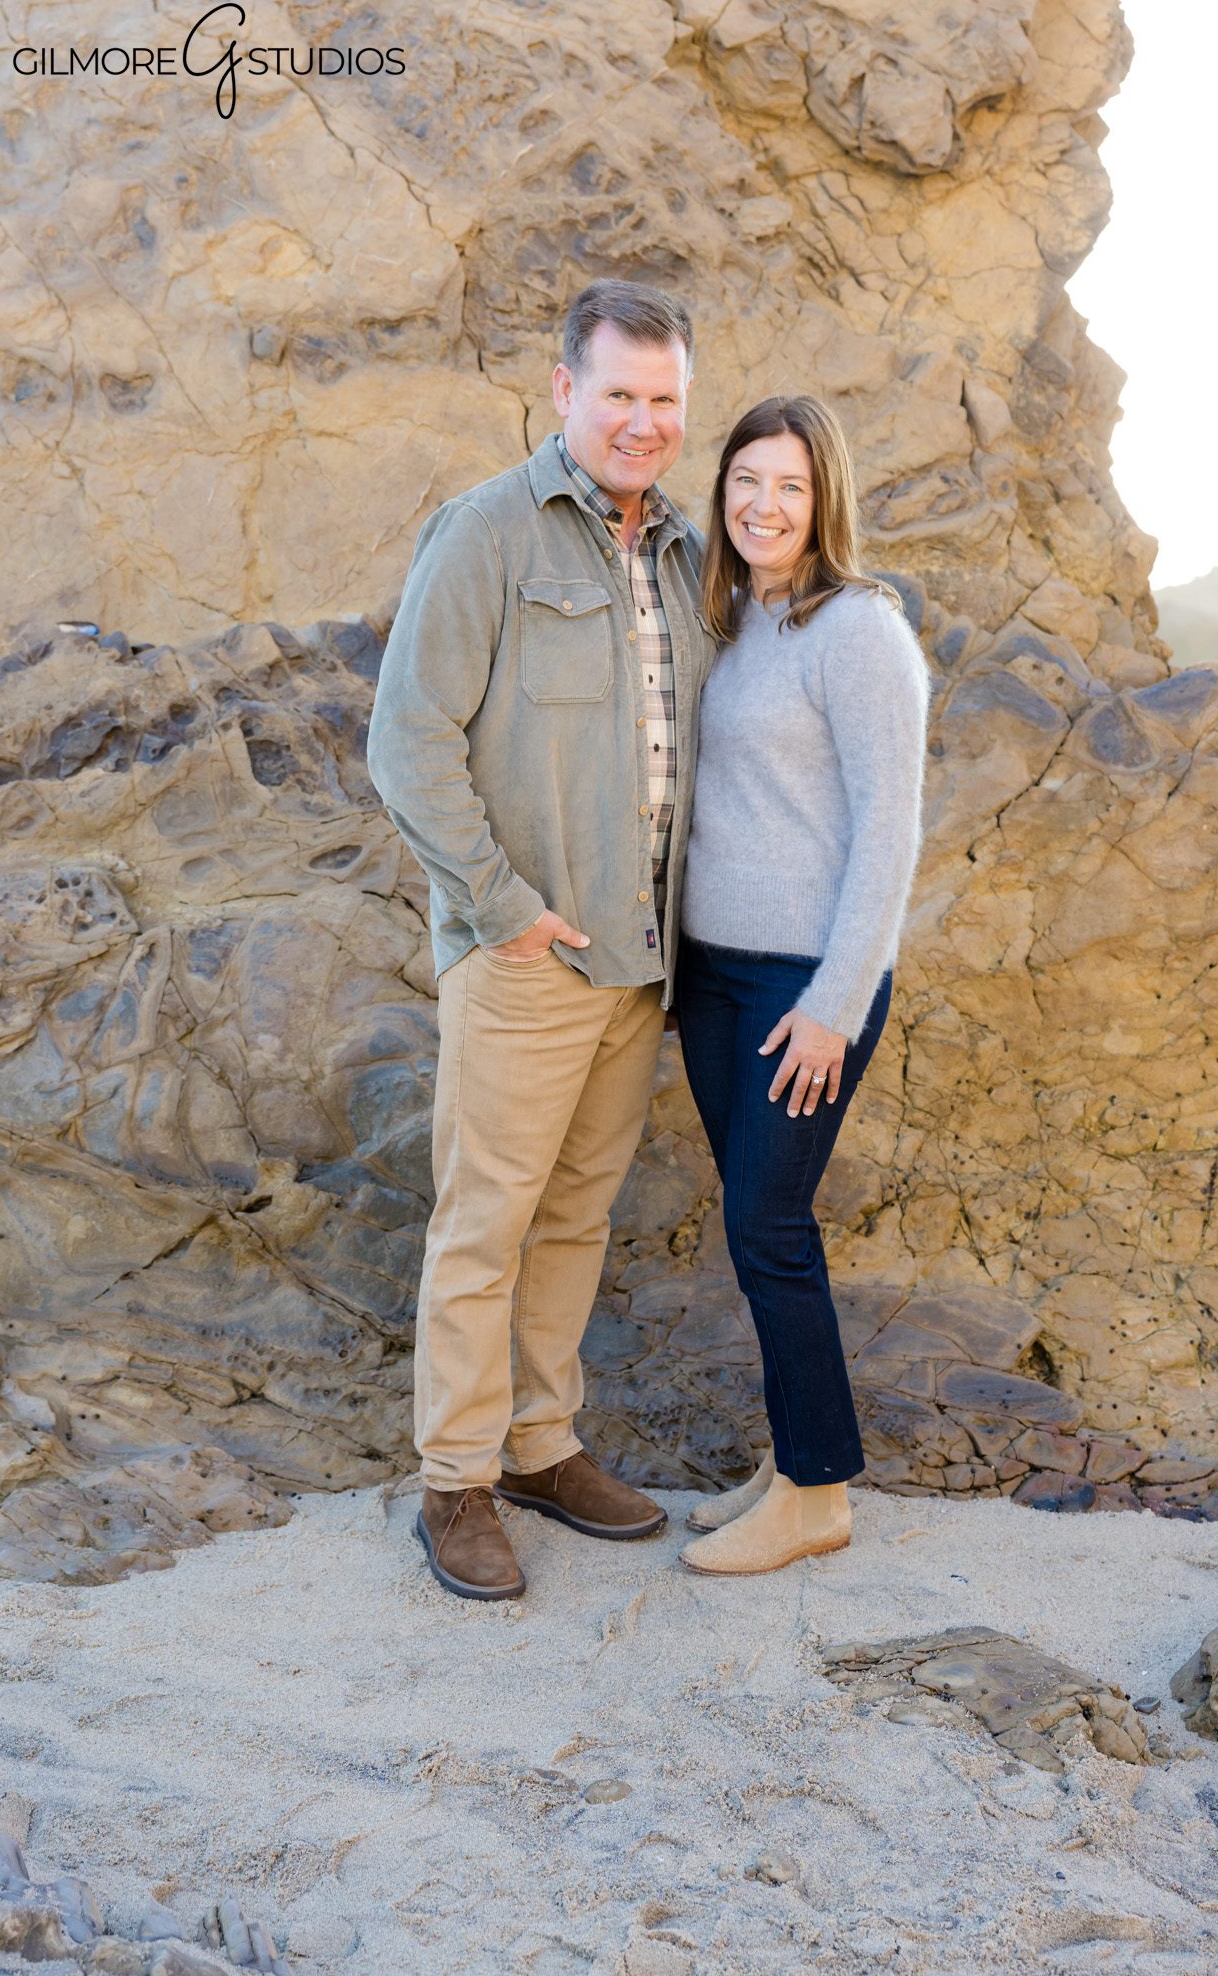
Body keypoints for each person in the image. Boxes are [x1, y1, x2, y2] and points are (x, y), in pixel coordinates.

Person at [367, 280, 714, 1601]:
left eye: (665, 399)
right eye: (619, 393)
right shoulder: (488, 533)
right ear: (563, 391)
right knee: (484, 1224)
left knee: (573, 1222)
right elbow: (408, 742)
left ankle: (538, 1446)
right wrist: (504, 910)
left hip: (638, 968)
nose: (643, 421)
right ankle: (454, 1481)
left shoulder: (680, 553)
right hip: (526, 960)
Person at [672, 395, 930, 1576]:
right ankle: (789, 1464)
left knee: (770, 1226)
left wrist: (834, 1001)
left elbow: (890, 830)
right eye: (746, 482)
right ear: (722, 493)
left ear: (824, 499)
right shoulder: (738, 621)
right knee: (753, 1221)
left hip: (802, 988)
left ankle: (818, 1491)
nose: (765, 505)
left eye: (790, 486)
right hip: (716, 979)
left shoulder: (858, 629)